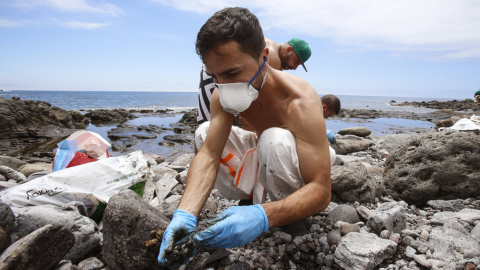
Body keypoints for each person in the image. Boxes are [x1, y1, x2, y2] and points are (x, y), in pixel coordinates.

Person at [158, 7, 333, 269]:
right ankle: (253, 197)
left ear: (264, 56)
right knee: (204, 133)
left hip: (300, 159)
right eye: (215, 76)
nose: (223, 86)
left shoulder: (300, 101)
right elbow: (209, 155)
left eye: (231, 73)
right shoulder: (223, 95)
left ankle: (284, 211)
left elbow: (321, 189)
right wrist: (186, 213)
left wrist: (264, 217)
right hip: (263, 153)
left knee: (274, 139)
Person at [197, 37, 312, 125]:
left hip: (220, 70)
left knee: (208, 123)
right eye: (296, 61)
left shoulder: (270, 47)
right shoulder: (273, 58)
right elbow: (258, 102)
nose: (295, 67)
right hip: (219, 71)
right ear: (288, 50)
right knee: (205, 126)